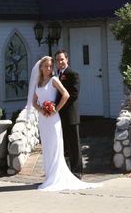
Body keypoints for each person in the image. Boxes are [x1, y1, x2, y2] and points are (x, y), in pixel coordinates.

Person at [27, 56, 101, 192]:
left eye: (50, 66)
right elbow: (33, 102)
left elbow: (66, 95)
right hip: (43, 119)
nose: (49, 69)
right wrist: (42, 110)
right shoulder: (38, 83)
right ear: (41, 68)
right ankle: (49, 176)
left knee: (56, 146)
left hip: (53, 119)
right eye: (46, 66)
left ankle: (57, 177)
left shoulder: (54, 80)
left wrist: (55, 110)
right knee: (47, 147)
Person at [55, 50, 83, 178]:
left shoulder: (73, 74)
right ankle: (66, 172)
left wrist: (59, 107)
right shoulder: (56, 75)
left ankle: (77, 172)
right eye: (57, 60)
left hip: (70, 115)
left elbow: (73, 95)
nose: (60, 62)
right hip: (58, 116)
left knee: (74, 146)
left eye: (62, 59)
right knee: (63, 145)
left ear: (67, 59)